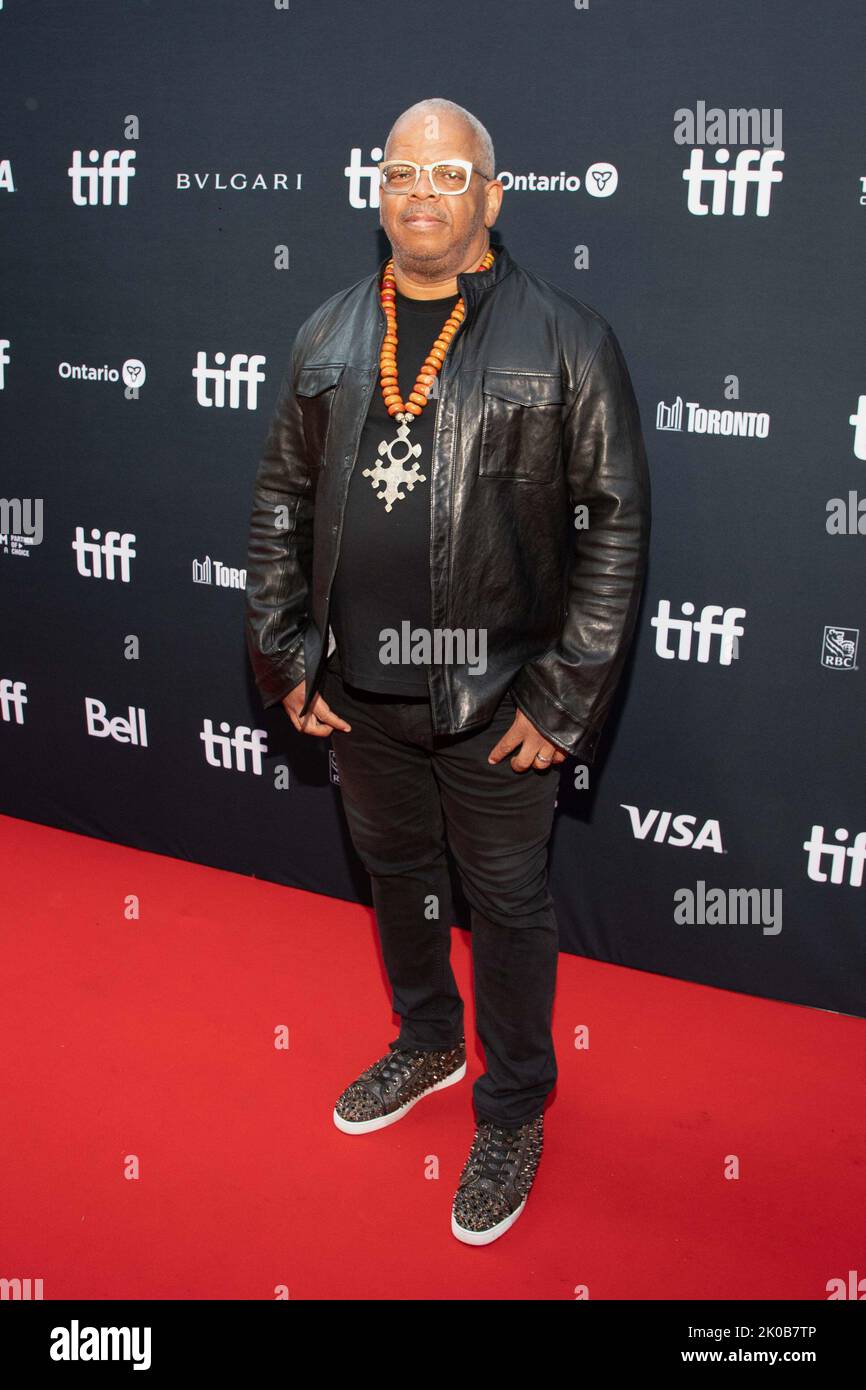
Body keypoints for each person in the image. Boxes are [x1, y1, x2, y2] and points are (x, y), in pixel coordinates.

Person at [244, 97, 651, 1246]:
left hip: (496, 699)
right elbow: (278, 503)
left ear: (491, 196)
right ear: (377, 192)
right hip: (357, 696)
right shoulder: (329, 331)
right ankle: (425, 1041)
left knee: (508, 908)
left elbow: (612, 525)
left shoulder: (565, 338)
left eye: (446, 174)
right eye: (398, 172)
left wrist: (565, 697)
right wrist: (287, 657)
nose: (419, 192)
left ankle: (513, 1105)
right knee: (396, 876)